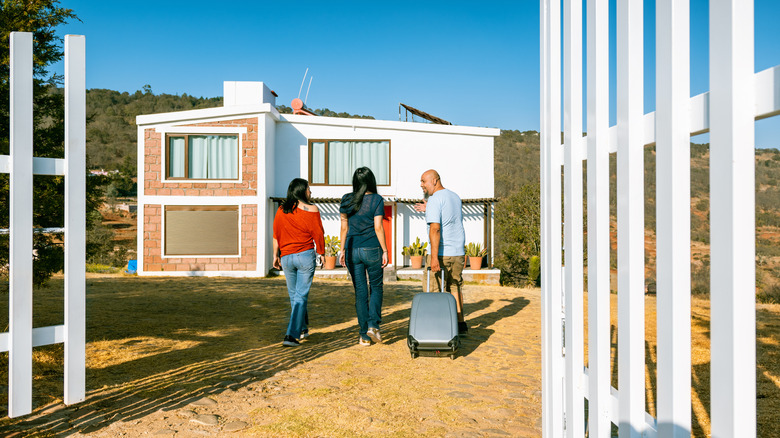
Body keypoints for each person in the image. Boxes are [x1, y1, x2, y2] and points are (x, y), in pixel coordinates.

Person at [338, 167, 389, 346]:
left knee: (360, 292)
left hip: (352, 250)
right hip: (372, 248)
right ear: (371, 181)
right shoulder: (376, 200)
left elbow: (344, 228)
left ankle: (363, 336)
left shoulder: (346, 200)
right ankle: (373, 325)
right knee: (375, 287)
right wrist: (385, 251)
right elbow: (378, 227)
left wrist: (342, 250)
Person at [272, 178, 325, 347]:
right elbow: (318, 233)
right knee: (300, 296)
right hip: (304, 256)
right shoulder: (312, 209)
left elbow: (276, 235)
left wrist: (275, 255)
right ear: (302, 191)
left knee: (295, 296)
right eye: (309, 189)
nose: (311, 192)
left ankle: (302, 329)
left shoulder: (282, 209)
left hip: (286, 257)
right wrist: (321, 253)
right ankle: (291, 336)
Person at [419, 169, 468, 335]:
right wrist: (429, 207)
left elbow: (435, 229)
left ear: (434, 181)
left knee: (434, 290)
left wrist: (434, 259)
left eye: (424, 181)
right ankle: (460, 324)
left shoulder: (435, 200)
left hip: (442, 253)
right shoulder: (454, 197)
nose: (421, 185)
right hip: (458, 252)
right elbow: (450, 219)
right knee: (455, 286)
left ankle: (437, 329)